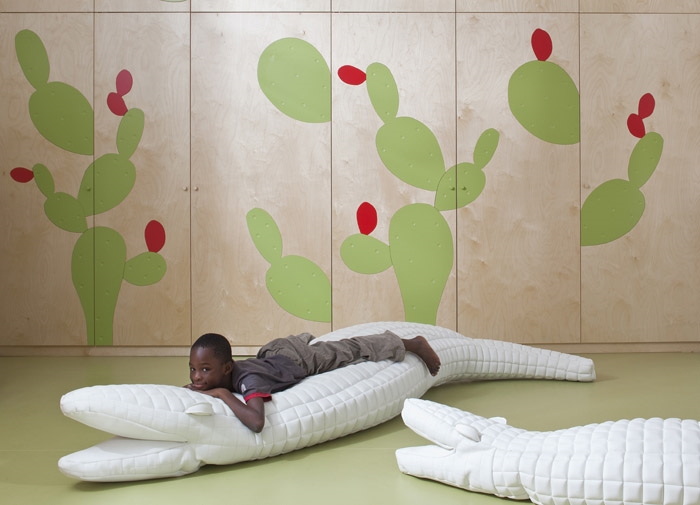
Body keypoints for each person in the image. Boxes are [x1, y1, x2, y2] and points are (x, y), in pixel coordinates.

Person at [185, 330, 441, 433]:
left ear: (227, 368)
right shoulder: (219, 374)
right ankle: (303, 338)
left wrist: (222, 394)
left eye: (205, 370)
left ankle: (412, 343)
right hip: (270, 352)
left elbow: (256, 422)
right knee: (298, 345)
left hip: (296, 360)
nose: (197, 377)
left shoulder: (249, 380)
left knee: (350, 349)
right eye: (193, 369)